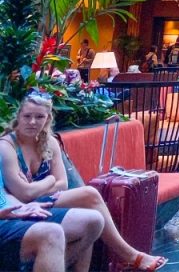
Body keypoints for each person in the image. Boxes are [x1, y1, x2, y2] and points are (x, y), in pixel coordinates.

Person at [0, 93, 167, 271]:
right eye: (27, 116)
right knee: (88, 197)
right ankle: (129, 255)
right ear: (18, 117)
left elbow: (62, 183)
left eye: (39, 117)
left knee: (93, 218)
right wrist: (49, 181)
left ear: (47, 118)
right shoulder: (7, 146)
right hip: (25, 205)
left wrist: (36, 190)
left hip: (34, 203)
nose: (32, 122)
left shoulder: (49, 142)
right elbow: (24, 193)